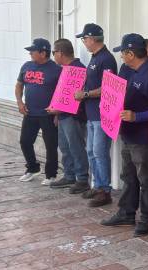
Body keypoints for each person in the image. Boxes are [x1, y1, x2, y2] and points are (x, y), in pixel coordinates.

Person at [99, 34, 148, 237]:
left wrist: (138, 116)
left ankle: (147, 218)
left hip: (144, 137)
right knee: (128, 176)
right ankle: (126, 212)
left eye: (123, 53)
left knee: (147, 179)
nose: (121, 58)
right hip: (127, 133)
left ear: (131, 53)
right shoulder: (126, 69)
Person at [75, 23, 117, 207]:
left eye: (84, 39)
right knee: (91, 151)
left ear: (91, 39)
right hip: (92, 114)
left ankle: (105, 191)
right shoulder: (95, 58)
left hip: (102, 114)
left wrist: (85, 94)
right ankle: (97, 184)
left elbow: (108, 88)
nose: (84, 42)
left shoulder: (106, 59)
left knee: (100, 152)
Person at [46, 39, 90, 194]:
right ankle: (69, 174)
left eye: (54, 53)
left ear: (60, 53)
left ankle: (82, 179)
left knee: (76, 147)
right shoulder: (66, 68)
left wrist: (58, 110)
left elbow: (75, 97)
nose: (53, 56)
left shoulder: (78, 69)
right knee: (65, 147)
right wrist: (57, 112)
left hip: (74, 116)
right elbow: (62, 93)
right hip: (63, 116)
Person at [15, 38, 61, 185]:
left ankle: (51, 174)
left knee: (50, 145)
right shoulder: (27, 66)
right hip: (30, 112)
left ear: (43, 53)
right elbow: (19, 85)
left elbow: (62, 93)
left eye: (32, 51)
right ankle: (33, 168)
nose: (30, 54)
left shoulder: (56, 69)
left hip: (48, 114)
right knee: (25, 141)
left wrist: (58, 112)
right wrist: (20, 102)